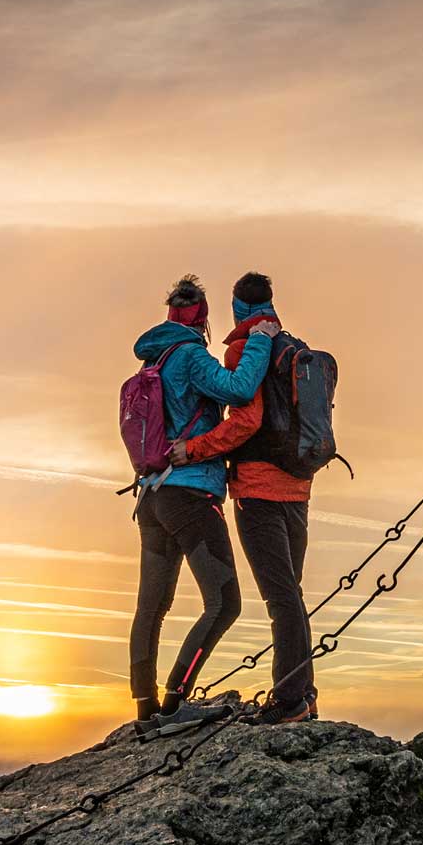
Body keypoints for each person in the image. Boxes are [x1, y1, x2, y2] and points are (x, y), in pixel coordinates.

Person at [128, 274, 278, 726]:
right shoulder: (191, 355)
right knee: (224, 602)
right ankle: (176, 700)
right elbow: (236, 389)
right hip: (191, 494)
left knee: (151, 607)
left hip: (151, 498)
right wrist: (261, 340)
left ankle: (145, 709)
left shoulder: (150, 362)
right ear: (204, 320)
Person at [170, 271, 319, 724]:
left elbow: (246, 422)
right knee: (291, 593)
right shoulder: (293, 347)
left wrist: (191, 449)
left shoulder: (245, 349)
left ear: (237, 308)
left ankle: (291, 701)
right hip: (298, 487)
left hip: (259, 491)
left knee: (280, 598)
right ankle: (305, 696)